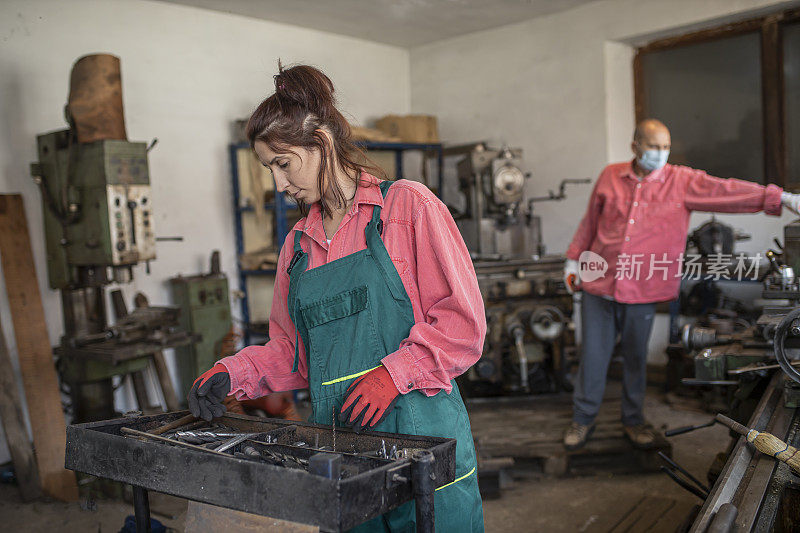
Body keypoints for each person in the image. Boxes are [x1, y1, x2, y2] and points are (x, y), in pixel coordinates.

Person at [187, 63, 485, 532]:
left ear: (321, 142)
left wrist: (394, 375)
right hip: (343, 451)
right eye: (270, 170)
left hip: (425, 443)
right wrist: (233, 372)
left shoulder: (407, 208)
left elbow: (462, 325)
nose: (279, 185)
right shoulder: (297, 249)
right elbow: (293, 353)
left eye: (282, 164)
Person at [562, 118, 800, 451]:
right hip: (598, 284)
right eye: (653, 146)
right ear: (635, 147)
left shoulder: (681, 181)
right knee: (593, 355)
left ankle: (633, 420)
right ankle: (582, 419)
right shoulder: (610, 176)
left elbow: (727, 190)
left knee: (634, 358)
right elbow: (590, 222)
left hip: (642, 289)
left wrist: (779, 198)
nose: (660, 153)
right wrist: (574, 260)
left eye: (665, 147)